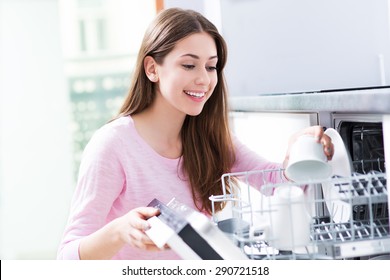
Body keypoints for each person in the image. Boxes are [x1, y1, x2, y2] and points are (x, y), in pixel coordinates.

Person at [57, 7, 333, 260]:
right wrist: (118, 231)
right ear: (152, 68)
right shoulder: (114, 144)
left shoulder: (208, 137)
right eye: (189, 65)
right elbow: (66, 257)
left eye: (211, 66)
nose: (204, 79)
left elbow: (277, 184)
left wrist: (298, 150)